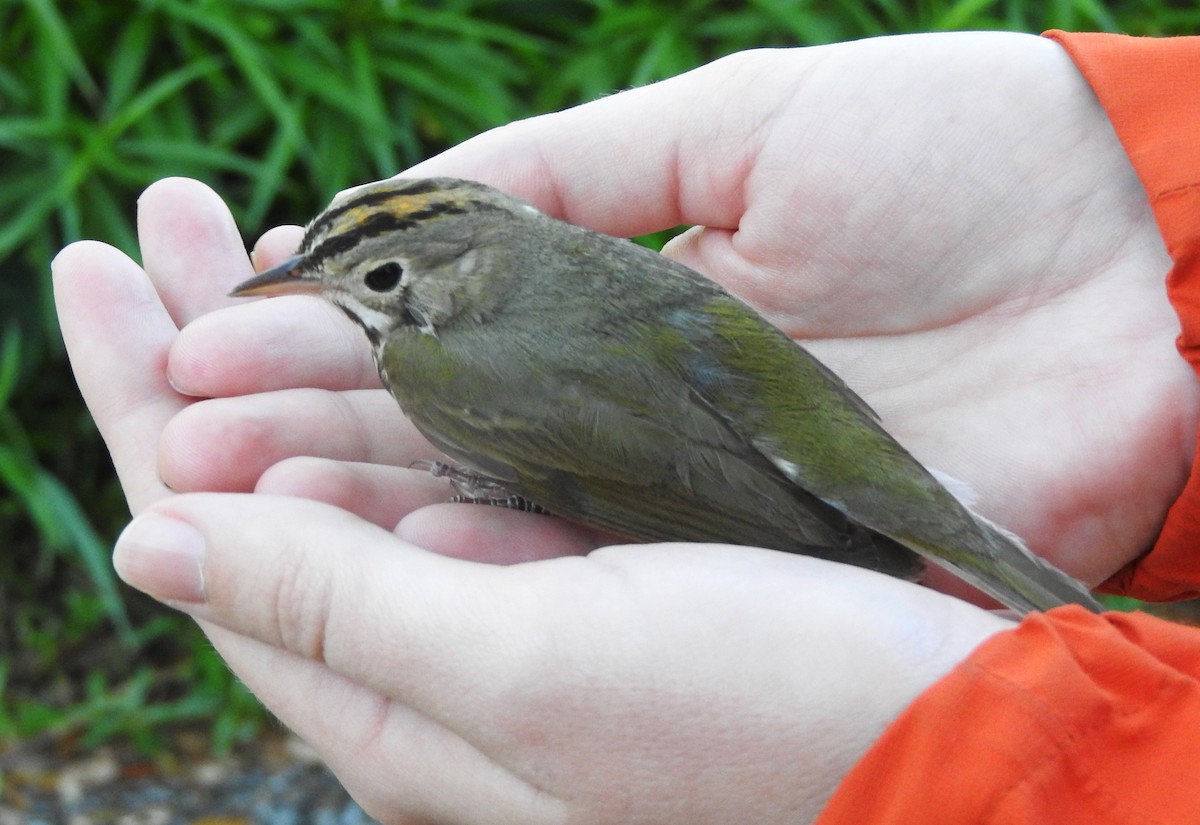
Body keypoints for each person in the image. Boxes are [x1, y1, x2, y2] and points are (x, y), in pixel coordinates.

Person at [52, 29, 1200, 824]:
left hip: (737, 453)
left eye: (386, 275)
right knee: (960, 540)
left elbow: (642, 474)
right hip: (773, 400)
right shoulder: (541, 270)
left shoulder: (443, 372)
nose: (359, 298)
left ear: (467, 257)